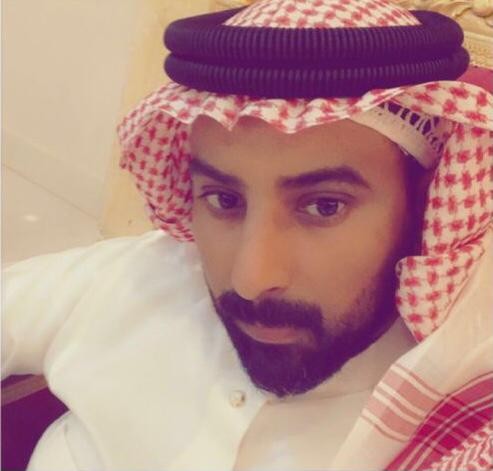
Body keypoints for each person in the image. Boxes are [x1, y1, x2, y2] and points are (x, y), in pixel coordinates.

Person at [3, 0, 492, 469]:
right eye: (223, 200)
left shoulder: (462, 400)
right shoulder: (141, 275)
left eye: (324, 206)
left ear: (425, 201)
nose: (251, 279)